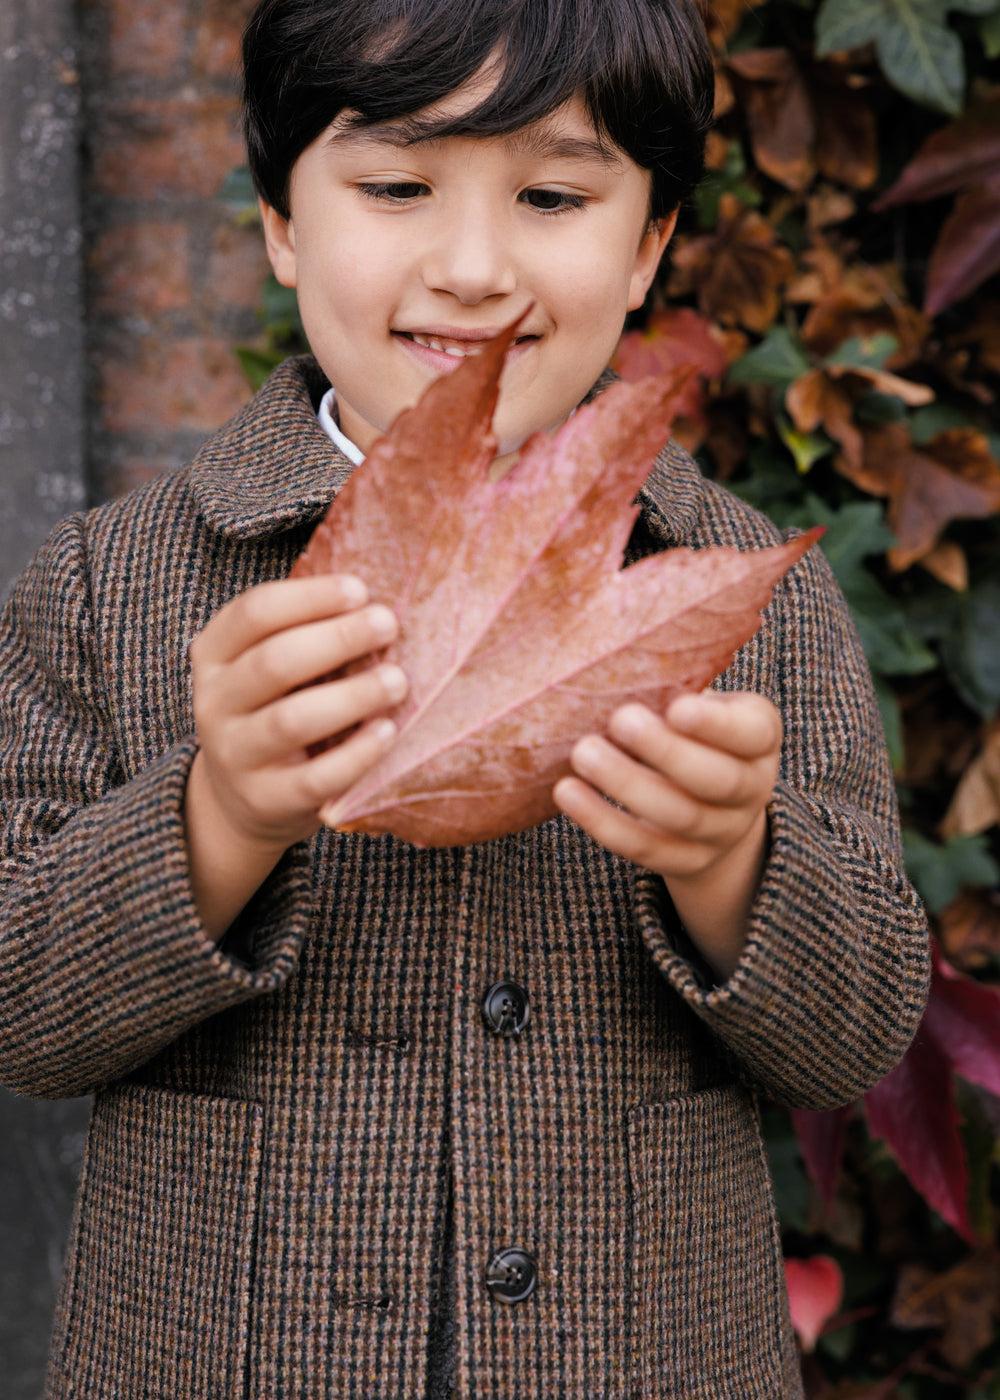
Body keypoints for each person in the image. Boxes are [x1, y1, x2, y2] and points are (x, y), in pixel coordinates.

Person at [0, 0, 930, 1395]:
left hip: (640, 1358)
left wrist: (735, 864)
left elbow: (852, 1034)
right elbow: (24, 1010)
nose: (476, 266)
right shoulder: (108, 585)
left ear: (651, 246)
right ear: (282, 222)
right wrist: (218, 815)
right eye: (396, 186)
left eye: (554, 195)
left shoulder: (741, 591)